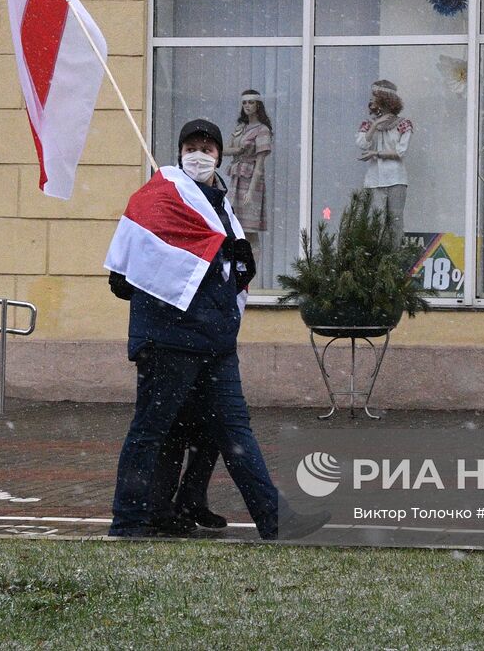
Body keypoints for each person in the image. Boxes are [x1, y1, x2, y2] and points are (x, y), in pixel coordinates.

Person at [106, 119, 328, 540]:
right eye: (192, 145)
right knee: (152, 429)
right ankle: (129, 520)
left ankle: (275, 519)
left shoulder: (220, 208)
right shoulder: (157, 200)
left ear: (220, 156)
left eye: (208, 147)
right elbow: (123, 278)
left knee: (234, 431)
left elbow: (228, 269)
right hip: (171, 340)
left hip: (216, 341)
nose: (200, 153)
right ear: (178, 152)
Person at [356, 79, 413, 239]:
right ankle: (376, 258)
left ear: (384, 98)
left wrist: (376, 154)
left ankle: (394, 258)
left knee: (395, 221)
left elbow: (401, 151)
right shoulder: (369, 124)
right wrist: (375, 125)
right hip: (374, 180)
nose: (371, 100)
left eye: (375, 96)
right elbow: (362, 143)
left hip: (396, 179)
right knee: (376, 222)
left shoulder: (403, 124)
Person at [225, 89, 273, 240]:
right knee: (235, 228)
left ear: (258, 105)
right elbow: (225, 150)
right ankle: (240, 262)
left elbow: (259, 164)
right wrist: (237, 149)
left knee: (250, 232)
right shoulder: (240, 128)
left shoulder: (262, 130)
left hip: (251, 181)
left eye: (251, 102)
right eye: (244, 102)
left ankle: (253, 264)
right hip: (236, 181)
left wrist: (251, 191)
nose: (247, 106)